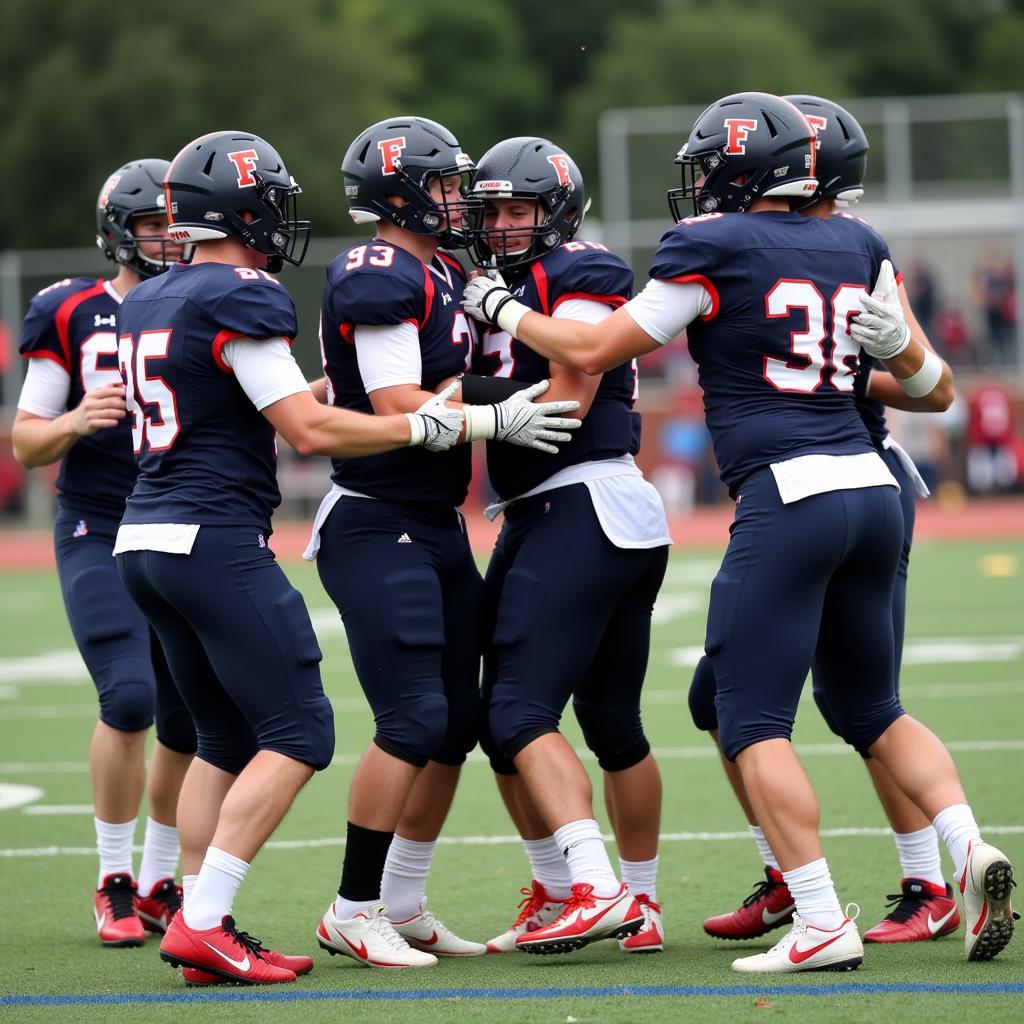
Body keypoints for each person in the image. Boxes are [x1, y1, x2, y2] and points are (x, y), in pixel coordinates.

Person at [464, 92, 1016, 971]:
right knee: (874, 705)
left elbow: (599, 349)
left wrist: (499, 310)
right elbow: (936, 392)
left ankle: (820, 915)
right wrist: (901, 354)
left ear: (735, 172)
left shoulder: (710, 244)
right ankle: (966, 848)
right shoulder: (860, 244)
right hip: (875, 491)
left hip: (790, 493)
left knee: (746, 716)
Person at [114, 129, 466, 986]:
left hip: (143, 537)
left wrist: (351, 396)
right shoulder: (242, 292)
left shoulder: (149, 297)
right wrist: (426, 423)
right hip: (211, 537)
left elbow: (276, 396)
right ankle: (203, 924)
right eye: (269, 205)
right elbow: (306, 431)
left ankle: (201, 917)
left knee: (223, 737)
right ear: (244, 212)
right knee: (301, 730)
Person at [307, 117, 581, 969]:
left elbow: (429, 383)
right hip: (374, 518)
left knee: (460, 718)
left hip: (433, 523)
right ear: (400, 192)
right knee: (415, 713)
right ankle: (353, 908)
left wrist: (474, 390)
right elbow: (397, 408)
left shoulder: (444, 269)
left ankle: (401, 901)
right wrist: (486, 414)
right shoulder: (379, 271)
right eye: (443, 185)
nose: (458, 199)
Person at [691, 93, 963, 948]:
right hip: (840, 482)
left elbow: (938, 388)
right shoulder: (804, 243)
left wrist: (894, 354)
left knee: (857, 701)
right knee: (738, 697)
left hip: (840, 478)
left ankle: (924, 878)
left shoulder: (840, 244)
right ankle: (793, 869)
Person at [462, 138, 671, 955]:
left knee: (515, 713)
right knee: (613, 724)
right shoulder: (510, 284)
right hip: (562, 510)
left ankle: (593, 887)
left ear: (556, 211)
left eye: (520, 209)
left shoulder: (579, 267)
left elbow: (569, 391)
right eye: (495, 213)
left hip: (578, 504)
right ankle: (620, 902)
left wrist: (452, 396)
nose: (506, 226)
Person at [12, 160, 197, 948]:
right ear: (121, 231)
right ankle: (113, 877)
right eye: (153, 226)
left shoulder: (205, 298)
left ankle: (160, 881)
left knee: (190, 714)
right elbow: (25, 443)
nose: (167, 239)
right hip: (96, 519)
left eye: (175, 225)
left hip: (184, 522)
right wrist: (75, 420)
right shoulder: (69, 309)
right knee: (128, 698)